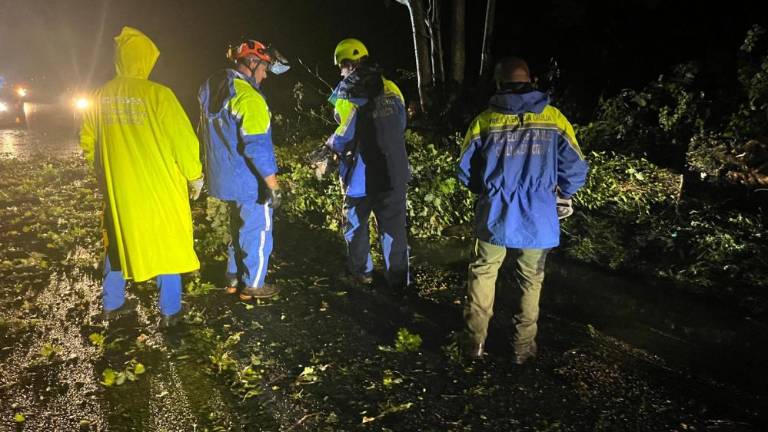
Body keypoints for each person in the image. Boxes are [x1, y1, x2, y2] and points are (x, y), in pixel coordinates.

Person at [458, 57, 589, 364]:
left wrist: (485, 190)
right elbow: (576, 168)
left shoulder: (484, 121)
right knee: (531, 280)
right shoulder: (554, 119)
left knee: (483, 272)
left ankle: (474, 344)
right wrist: (564, 193)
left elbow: (465, 169)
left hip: (495, 212)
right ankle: (522, 348)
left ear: (499, 83)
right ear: (531, 80)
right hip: (538, 215)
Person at [79, 27, 204, 327]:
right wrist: (195, 176)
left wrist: (103, 176)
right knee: (167, 244)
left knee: (117, 240)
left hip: (119, 190)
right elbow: (183, 140)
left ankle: (112, 304)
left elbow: (88, 142)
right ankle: (170, 311)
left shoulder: (99, 96)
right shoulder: (159, 95)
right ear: (146, 59)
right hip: (159, 189)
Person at [198, 39, 290, 300]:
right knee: (258, 229)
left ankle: (233, 277)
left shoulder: (213, 89)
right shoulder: (249, 97)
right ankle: (254, 284)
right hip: (249, 181)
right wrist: (273, 185)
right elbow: (257, 146)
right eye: (264, 68)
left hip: (223, 178)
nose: (265, 75)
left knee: (237, 226)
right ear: (252, 62)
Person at [326, 38, 411, 289]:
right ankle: (398, 281)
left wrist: (329, 149)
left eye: (341, 66)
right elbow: (401, 125)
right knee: (394, 228)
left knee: (355, 224)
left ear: (347, 64)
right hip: (393, 169)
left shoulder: (346, 91)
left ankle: (362, 273)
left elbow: (343, 130)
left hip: (359, 174)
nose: (340, 72)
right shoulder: (392, 88)